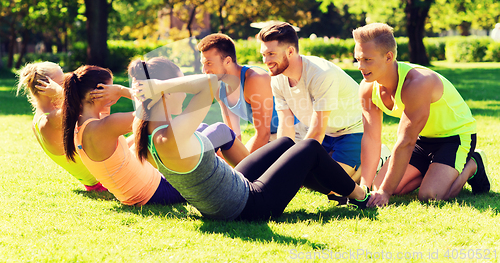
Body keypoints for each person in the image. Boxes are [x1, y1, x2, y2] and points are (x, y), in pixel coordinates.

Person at [130, 57, 371, 222]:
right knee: (309, 147)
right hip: (250, 205)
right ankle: (361, 196)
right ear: (166, 91)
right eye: (177, 84)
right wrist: (160, 84)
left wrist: (149, 88)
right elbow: (211, 83)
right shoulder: (170, 137)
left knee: (285, 144)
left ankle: (336, 192)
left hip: (228, 193)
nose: (183, 91)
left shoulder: (146, 130)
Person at [353, 23, 490, 207]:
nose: (360, 66)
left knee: (430, 195)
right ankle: (436, 169)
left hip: (455, 137)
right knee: (382, 186)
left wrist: (385, 192)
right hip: (423, 138)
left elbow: (405, 142)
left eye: (367, 59)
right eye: (358, 59)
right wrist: (365, 187)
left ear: (388, 57)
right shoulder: (367, 88)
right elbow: (371, 138)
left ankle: (473, 164)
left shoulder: (418, 83)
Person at [61, 65, 185, 206]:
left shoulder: (81, 127)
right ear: (94, 94)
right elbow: (149, 114)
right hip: (158, 193)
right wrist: (122, 90)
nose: (113, 93)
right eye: (109, 89)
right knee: (204, 134)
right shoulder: (104, 127)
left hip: (141, 193)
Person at [257, 22, 364, 180]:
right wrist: (282, 162)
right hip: (325, 131)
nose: (266, 60)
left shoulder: (321, 74)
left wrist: (294, 166)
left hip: (352, 130)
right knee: (298, 172)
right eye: (263, 54)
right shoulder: (277, 77)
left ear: (291, 51)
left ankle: (377, 157)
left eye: (271, 54)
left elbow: (316, 132)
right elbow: (285, 126)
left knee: (330, 183)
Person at [16, 62, 106, 192]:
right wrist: (60, 93)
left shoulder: (39, 119)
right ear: (45, 87)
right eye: (63, 83)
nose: (68, 86)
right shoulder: (50, 120)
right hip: (104, 181)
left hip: (99, 178)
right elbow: (86, 109)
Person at [197, 33, 280, 152]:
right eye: (203, 64)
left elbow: (263, 134)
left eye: (209, 63)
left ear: (228, 61)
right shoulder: (218, 87)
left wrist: (239, 168)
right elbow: (234, 136)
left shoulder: (255, 79)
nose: (204, 70)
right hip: (268, 136)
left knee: (245, 167)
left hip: (291, 133)